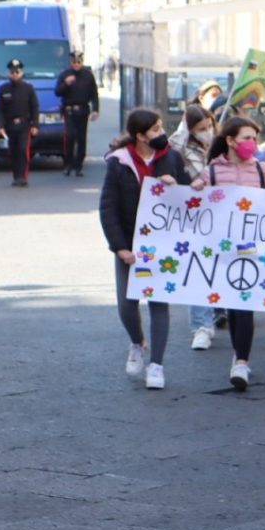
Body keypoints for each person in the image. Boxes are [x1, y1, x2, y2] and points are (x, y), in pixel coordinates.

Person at [99, 108, 191, 390]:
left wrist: (175, 186)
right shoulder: (119, 163)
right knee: (126, 306)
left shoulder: (172, 158)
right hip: (130, 244)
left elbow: (191, 197)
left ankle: (157, 365)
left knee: (159, 304)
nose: (161, 133)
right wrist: (119, 247)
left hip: (163, 245)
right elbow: (108, 207)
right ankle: (137, 342)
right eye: (155, 130)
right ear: (140, 136)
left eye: (161, 127)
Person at [203, 116, 265, 391]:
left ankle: (241, 361)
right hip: (223, 247)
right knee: (233, 303)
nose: (252, 144)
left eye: (255, 139)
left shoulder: (260, 168)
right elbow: (198, 201)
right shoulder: (212, 171)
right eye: (246, 138)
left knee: (244, 304)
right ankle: (238, 355)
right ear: (230, 140)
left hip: (253, 247)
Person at [170, 105, 220, 350]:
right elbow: (172, 149)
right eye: (201, 129)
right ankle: (201, 325)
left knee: (217, 267)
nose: (207, 132)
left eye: (209, 127)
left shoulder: (219, 145)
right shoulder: (180, 147)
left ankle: (213, 315)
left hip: (221, 213)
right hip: (194, 214)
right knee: (198, 267)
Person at [0, 58, 39, 188]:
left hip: (24, 125)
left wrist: (35, 125)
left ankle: (23, 177)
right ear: (9, 73)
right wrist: (0, 126)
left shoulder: (28, 88)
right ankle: (16, 176)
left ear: (22, 72)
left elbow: (34, 107)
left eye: (17, 71)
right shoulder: (3, 89)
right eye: (12, 72)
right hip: (10, 126)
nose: (14, 74)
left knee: (23, 150)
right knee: (13, 152)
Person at [54, 49, 100, 177]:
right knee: (70, 136)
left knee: (81, 139)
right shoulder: (65, 75)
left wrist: (96, 109)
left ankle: (78, 165)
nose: (76, 64)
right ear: (70, 62)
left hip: (83, 110)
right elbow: (57, 92)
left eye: (78, 62)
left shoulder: (88, 75)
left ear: (82, 62)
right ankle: (68, 164)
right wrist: (66, 84)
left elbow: (94, 94)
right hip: (69, 110)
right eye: (74, 62)